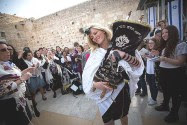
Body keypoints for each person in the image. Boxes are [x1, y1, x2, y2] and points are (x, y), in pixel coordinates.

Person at [82, 22, 146, 125]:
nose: (94, 37)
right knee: (107, 120)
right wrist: (94, 84)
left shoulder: (121, 44)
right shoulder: (95, 53)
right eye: (91, 36)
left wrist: (123, 55)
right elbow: (86, 75)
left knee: (123, 115)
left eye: (95, 33)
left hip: (120, 89)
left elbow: (138, 65)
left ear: (103, 31)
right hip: (102, 95)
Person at [154, 25, 187, 123]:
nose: (163, 35)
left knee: (175, 94)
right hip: (164, 71)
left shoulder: (181, 44)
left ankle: (174, 113)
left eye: (166, 32)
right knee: (166, 90)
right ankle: (165, 105)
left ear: (172, 33)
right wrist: (156, 55)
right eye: (163, 33)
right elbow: (163, 59)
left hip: (174, 73)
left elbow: (180, 62)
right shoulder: (166, 45)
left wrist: (164, 59)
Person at [0, 41, 34, 125]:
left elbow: (16, 76)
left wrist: (25, 71)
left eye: (8, 49)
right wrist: (22, 79)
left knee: (27, 119)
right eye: (3, 50)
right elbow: (2, 90)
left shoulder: (9, 63)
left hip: (20, 97)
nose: (8, 51)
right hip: (9, 103)